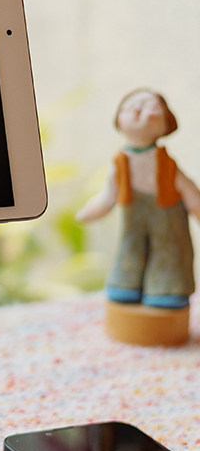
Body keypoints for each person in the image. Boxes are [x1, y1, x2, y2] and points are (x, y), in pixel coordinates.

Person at [76, 88, 200, 309]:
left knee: (169, 249)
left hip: (167, 214)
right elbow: (108, 195)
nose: (136, 110)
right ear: (119, 121)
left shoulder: (167, 163)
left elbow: (190, 192)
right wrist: (89, 212)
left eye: (148, 107)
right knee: (129, 246)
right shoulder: (120, 162)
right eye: (128, 107)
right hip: (132, 215)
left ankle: (168, 288)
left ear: (166, 123)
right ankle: (125, 283)